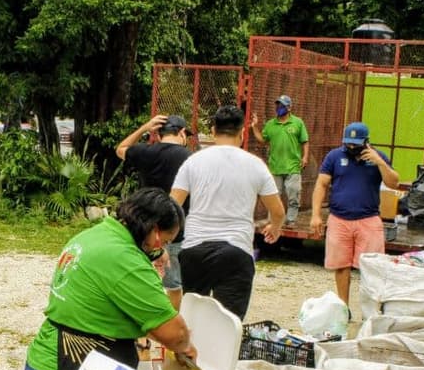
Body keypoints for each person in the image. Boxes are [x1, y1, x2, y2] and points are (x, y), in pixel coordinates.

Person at [24, 187, 196, 370]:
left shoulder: (97, 235)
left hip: (47, 359)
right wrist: (185, 346)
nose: (160, 249)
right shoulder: (123, 258)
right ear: (155, 232)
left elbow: (107, 305)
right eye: (164, 242)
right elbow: (174, 334)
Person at [169, 105, 285, 320]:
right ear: (242, 133)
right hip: (236, 250)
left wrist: (165, 245)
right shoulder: (256, 165)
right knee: (229, 324)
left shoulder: (193, 161)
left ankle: (188, 353)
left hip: (195, 250)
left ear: (213, 131)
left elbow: (172, 206)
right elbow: (277, 211)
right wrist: (274, 227)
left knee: (192, 318)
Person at [310, 121, 401, 305]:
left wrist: (380, 163)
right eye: (348, 144)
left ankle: (371, 307)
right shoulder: (334, 156)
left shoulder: (378, 157)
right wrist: (316, 214)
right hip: (339, 218)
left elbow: (394, 183)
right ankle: (344, 306)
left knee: (371, 267)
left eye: (356, 144)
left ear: (366, 142)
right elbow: (321, 184)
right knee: (341, 266)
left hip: (368, 219)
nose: (351, 147)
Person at [115, 113, 193, 309]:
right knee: (174, 286)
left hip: (144, 226)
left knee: (143, 281)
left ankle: (141, 337)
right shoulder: (189, 158)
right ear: (182, 133)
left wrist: (144, 128)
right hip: (174, 229)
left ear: (158, 134)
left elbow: (120, 149)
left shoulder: (145, 152)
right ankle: (166, 332)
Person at [250, 95, 310, 225]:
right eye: (277, 105)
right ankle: (274, 221)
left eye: (282, 105)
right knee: (274, 195)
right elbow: (262, 140)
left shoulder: (298, 123)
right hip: (275, 167)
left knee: (293, 194)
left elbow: (305, 141)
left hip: (293, 166)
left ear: (289, 107)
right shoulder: (271, 124)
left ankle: (291, 220)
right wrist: (255, 126)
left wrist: (305, 157)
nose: (279, 107)